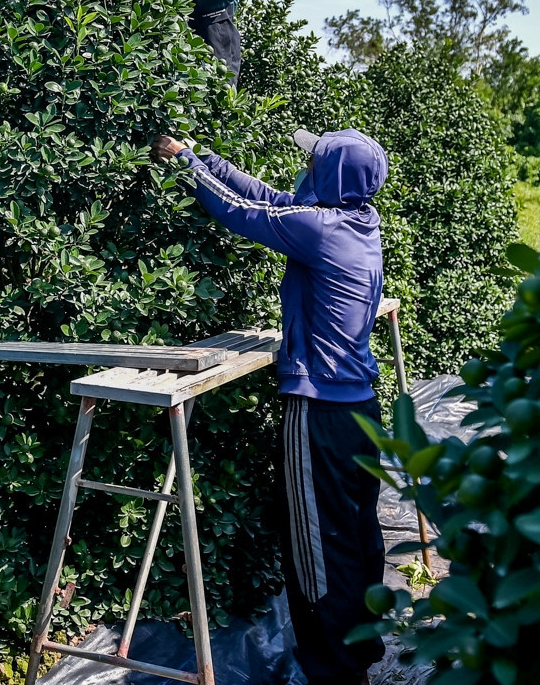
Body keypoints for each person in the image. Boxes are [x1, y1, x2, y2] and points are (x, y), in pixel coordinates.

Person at [151, 127, 388, 685]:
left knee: (318, 550)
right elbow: (271, 198)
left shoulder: (319, 229)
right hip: (360, 408)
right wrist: (209, 159)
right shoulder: (358, 221)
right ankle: (360, 652)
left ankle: (334, 673)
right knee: (357, 537)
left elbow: (242, 212)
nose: (305, 170)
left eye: (314, 163)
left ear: (330, 176)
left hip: (319, 411)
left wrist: (184, 163)